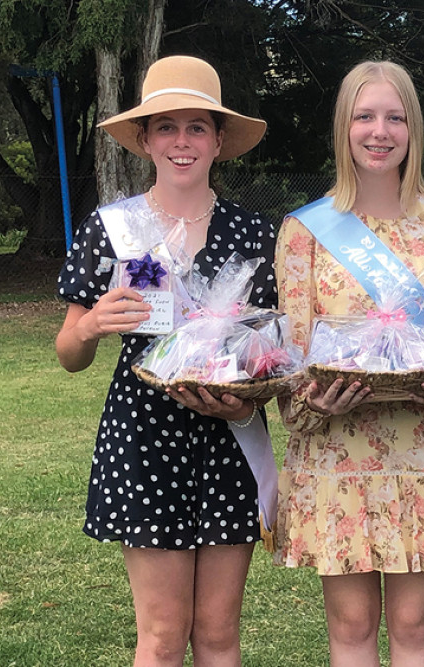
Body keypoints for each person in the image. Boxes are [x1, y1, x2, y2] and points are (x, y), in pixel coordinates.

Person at [55, 55, 273, 666]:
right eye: (167, 126)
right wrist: (93, 323)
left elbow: (270, 348)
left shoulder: (254, 233)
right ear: (145, 139)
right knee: (160, 634)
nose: (182, 141)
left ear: (219, 139)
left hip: (231, 437)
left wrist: (249, 392)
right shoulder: (111, 229)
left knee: (219, 634)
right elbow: (69, 352)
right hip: (144, 438)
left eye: (197, 126)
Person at [273, 60, 424, 666]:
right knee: (351, 623)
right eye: (364, 116)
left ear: (412, 128)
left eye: (394, 117)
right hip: (338, 453)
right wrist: (312, 399)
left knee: (416, 624)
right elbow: (292, 354)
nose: (379, 131)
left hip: (423, 449)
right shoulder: (304, 230)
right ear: (344, 127)